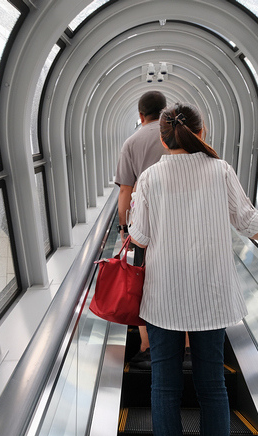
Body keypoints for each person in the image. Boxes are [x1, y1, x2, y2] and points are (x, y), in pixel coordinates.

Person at [128, 103, 258, 436]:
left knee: (164, 392)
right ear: (201, 131)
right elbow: (248, 221)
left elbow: (139, 236)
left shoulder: (152, 176)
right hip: (212, 300)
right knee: (214, 393)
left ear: (163, 138)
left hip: (163, 300)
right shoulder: (220, 170)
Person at [114, 90, 167, 363]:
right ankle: (185, 345)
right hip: (178, 223)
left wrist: (124, 227)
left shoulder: (132, 143)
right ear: (165, 111)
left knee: (143, 284)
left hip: (144, 226)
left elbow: (125, 191)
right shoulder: (177, 137)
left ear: (140, 115)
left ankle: (147, 347)